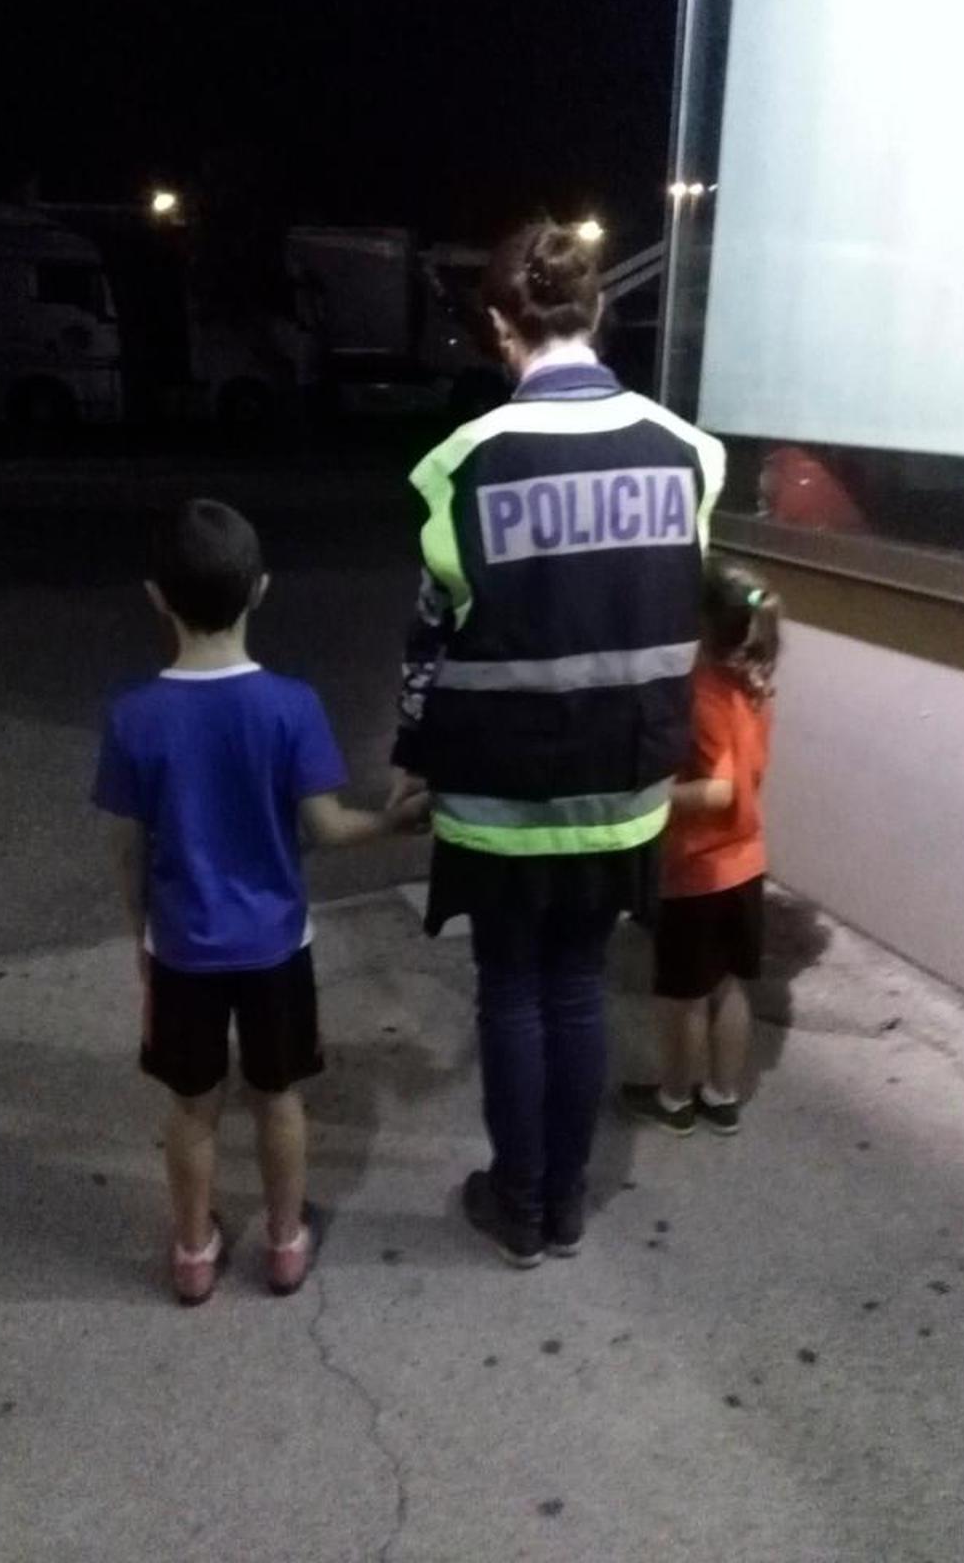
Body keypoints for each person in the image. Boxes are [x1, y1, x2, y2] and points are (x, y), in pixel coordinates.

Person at [388, 219, 725, 1268]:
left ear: (501, 326)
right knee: (579, 985)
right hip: (623, 788)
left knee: (511, 989)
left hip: (496, 799)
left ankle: (520, 1203)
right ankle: (567, 1203)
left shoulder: (461, 466)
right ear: (597, 313)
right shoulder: (690, 454)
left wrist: (410, 757)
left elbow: (429, 642)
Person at [94, 499, 425, 1306]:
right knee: (279, 1097)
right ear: (262, 589)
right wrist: (391, 823)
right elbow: (327, 827)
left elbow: (129, 849)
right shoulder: (290, 706)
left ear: (155, 596)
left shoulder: (134, 717)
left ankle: (193, 1251)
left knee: (192, 1106)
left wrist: (141, 936)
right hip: (277, 945)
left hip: (183, 951)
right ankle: (283, 1242)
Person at [621, 559, 780, 1137]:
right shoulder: (755, 684)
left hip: (699, 869)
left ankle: (673, 1100)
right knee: (729, 986)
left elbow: (718, 788)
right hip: (746, 862)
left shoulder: (704, 692)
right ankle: (722, 1094)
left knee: (680, 995)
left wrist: (648, 800)